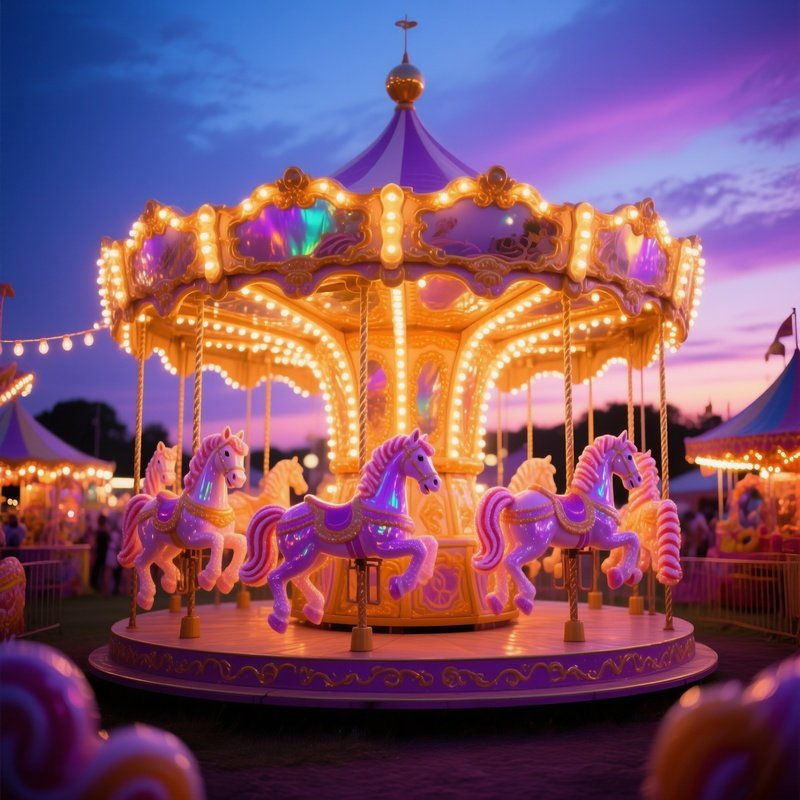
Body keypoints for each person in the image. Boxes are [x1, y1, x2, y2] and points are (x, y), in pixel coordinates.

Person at [89, 514, 110, 593]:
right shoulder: (104, 531)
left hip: (100, 553)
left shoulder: (98, 531)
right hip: (103, 553)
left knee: (98, 569)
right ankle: (100, 587)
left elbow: (94, 543)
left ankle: (98, 586)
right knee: (101, 570)